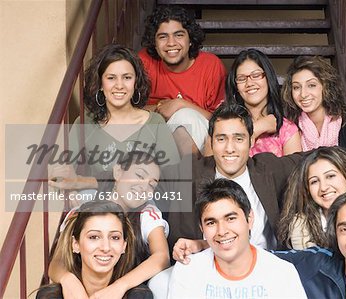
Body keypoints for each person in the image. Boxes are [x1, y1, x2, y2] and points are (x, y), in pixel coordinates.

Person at [162, 103, 308, 256]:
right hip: (203, 269)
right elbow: (142, 179)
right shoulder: (188, 171)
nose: (229, 148)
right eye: (221, 139)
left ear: (251, 141)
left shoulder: (268, 168)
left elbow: (318, 157)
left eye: (238, 139)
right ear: (211, 142)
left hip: (264, 265)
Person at [48, 43, 179, 193]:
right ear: (101, 84)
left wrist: (83, 182)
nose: (119, 85)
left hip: (143, 206)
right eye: (111, 78)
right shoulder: (85, 123)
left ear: (136, 82)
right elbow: (60, 173)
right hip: (99, 205)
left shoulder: (155, 123)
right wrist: (70, 191)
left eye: (127, 77)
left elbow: (172, 182)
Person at [48, 151, 170, 299]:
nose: (144, 187)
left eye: (152, 184)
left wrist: (119, 287)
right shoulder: (84, 206)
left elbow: (162, 256)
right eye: (139, 176)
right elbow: (57, 262)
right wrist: (69, 281)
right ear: (118, 172)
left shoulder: (148, 213)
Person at [168, 178, 307, 299]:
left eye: (230, 218)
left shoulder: (281, 273)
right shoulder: (188, 271)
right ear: (201, 228)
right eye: (211, 222)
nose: (222, 231)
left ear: (250, 219)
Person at [139, 5, 227, 155]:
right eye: (163, 36)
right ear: (154, 42)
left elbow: (220, 121)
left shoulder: (211, 65)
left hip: (201, 140)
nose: (171, 43)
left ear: (190, 39)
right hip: (157, 139)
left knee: (185, 116)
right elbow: (127, 110)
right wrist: (160, 107)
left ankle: (191, 175)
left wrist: (181, 105)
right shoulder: (144, 62)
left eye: (179, 35)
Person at [37, 201, 152, 299]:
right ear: (76, 244)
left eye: (115, 237)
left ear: (124, 246)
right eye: (94, 237)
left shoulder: (139, 296)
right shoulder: (51, 296)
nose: (105, 248)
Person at [281, 56, 346, 168]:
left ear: (326, 86)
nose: (303, 94)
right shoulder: (290, 121)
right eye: (296, 87)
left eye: (311, 85)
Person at [224, 48, 301, 156]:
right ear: (235, 86)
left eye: (256, 75)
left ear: (268, 78)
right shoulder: (224, 123)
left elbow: (294, 170)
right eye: (241, 78)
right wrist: (258, 127)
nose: (249, 83)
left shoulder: (287, 129)